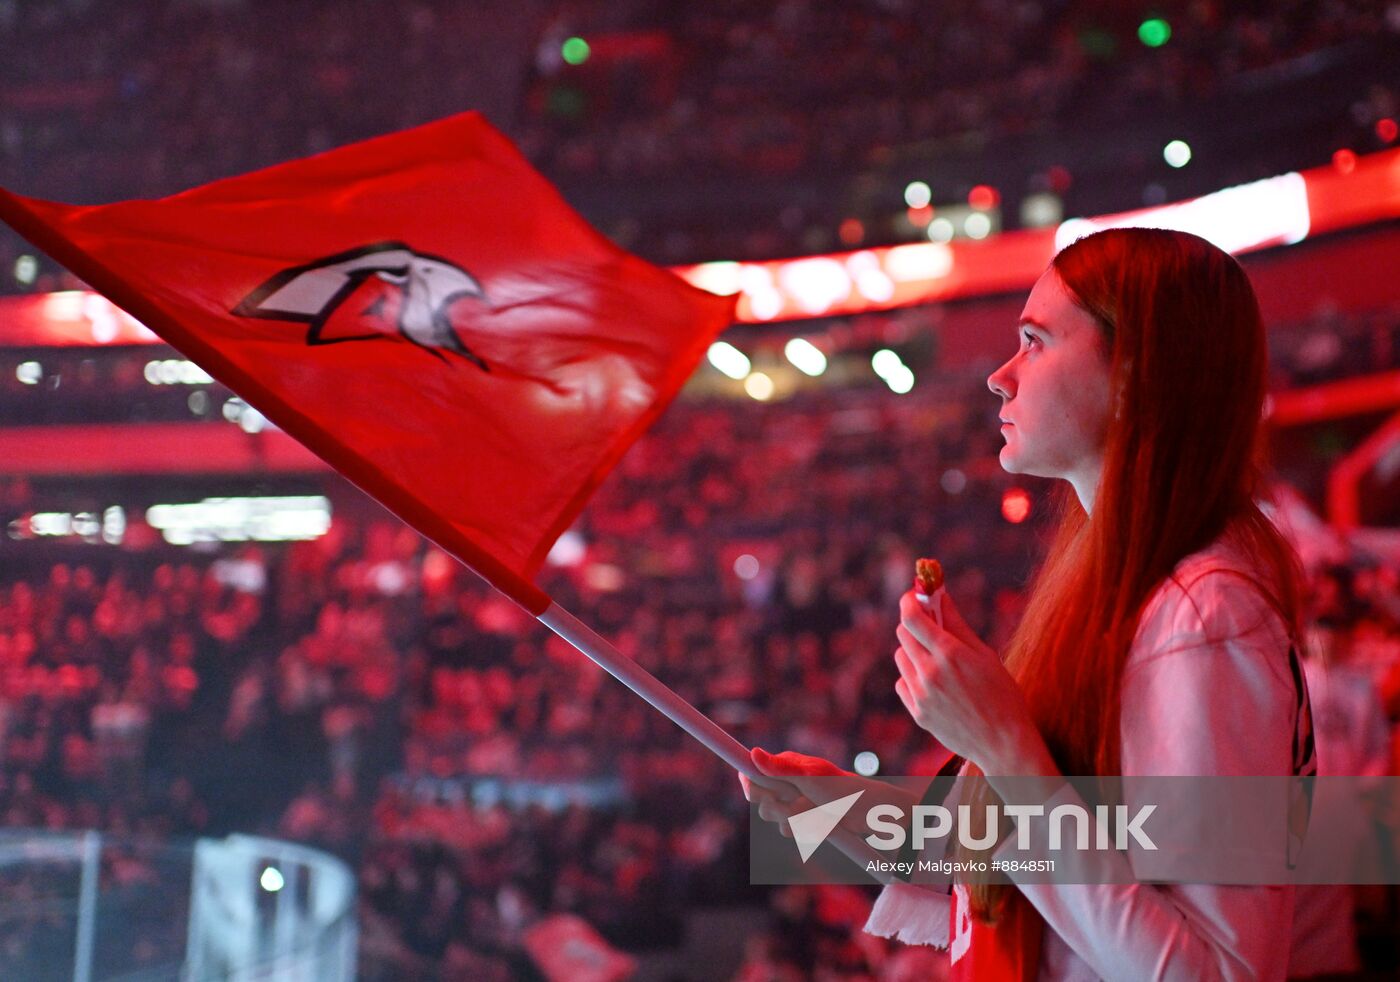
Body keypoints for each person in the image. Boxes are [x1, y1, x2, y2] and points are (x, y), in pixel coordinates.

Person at [741, 227, 1317, 980]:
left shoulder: (1204, 615)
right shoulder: (1126, 590)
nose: (1001, 377)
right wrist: (832, 806)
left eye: (1036, 341)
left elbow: (1216, 972)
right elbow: (1021, 863)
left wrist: (1005, 748)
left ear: (1136, 370)